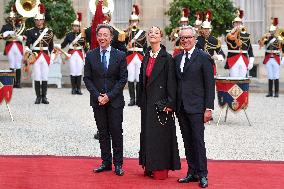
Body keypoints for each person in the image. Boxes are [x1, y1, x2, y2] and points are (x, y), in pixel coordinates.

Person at [84, 24, 127, 176]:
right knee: (102, 132)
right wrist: (98, 96)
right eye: (100, 35)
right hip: (97, 101)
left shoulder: (120, 55)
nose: (102, 38)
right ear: (96, 37)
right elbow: (87, 79)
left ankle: (118, 164)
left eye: (105, 35)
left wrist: (109, 96)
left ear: (111, 37)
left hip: (114, 101)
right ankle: (106, 162)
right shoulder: (90, 55)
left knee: (116, 132)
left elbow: (122, 79)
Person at [174, 26, 215, 188]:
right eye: (182, 38)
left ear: (195, 39)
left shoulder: (203, 57)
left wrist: (209, 108)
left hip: (197, 107)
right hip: (181, 108)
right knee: (187, 141)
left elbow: (209, 84)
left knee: (198, 141)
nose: (185, 40)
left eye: (188, 37)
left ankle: (202, 174)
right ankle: (191, 172)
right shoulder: (177, 58)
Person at [138, 26, 180, 180]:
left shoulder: (167, 58)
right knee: (148, 135)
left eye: (156, 32)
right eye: (150, 32)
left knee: (160, 137)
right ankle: (149, 165)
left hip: (161, 103)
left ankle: (160, 169)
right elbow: (142, 81)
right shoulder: (146, 56)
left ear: (161, 37)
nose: (152, 34)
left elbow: (172, 83)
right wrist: (140, 101)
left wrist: (170, 103)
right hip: (148, 103)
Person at [25, 4, 54, 104]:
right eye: (36, 20)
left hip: (45, 56)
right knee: (37, 76)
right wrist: (29, 53)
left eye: (40, 19)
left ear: (43, 20)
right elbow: (27, 45)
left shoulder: (49, 31)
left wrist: (52, 57)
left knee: (45, 76)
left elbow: (51, 46)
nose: (38, 21)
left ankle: (44, 97)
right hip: (35, 56)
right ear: (34, 20)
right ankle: (38, 97)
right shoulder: (30, 32)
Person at [125, 5, 147, 106]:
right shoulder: (126, 33)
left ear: (138, 22)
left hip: (139, 56)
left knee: (138, 78)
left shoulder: (142, 33)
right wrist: (128, 33)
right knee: (130, 77)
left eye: (135, 21)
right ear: (130, 22)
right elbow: (123, 44)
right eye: (132, 21)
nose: (134, 23)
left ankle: (139, 98)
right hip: (130, 56)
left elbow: (144, 45)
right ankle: (132, 99)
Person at [59, 13, 85, 95]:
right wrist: (58, 47)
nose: (75, 27)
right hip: (71, 54)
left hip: (80, 54)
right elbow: (64, 44)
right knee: (73, 71)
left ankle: (79, 89)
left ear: (79, 27)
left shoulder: (83, 35)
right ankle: (73, 88)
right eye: (74, 26)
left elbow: (85, 46)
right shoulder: (69, 35)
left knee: (79, 71)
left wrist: (88, 54)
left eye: (77, 26)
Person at [0, 6, 25, 88]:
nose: (12, 19)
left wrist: (19, 36)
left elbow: (25, 37)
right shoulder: (5, 27)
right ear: (9, 18)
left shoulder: (20, 26)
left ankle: (18, 83)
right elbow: (0, 36)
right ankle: (12, 82)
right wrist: (8, 33)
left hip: (18, 46)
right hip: (10, 46)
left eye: (13, 18)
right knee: (11, 64)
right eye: (11, 18)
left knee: (18, 65)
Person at [225, 9, 254, 77]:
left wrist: (251, 61)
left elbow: (250, 49)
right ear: (233, 24)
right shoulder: (229, 34)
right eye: (236, 23)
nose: (238, 24)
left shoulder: (246, 35)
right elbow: (228, 41)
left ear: (242, 24)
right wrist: (233, 32)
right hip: (233, 58)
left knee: (242, 80)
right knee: (233, 80)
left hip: (244, 58)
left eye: (239, 23)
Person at [259, 18, 283, 97]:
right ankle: (270, 92)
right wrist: (263, 36)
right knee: (270, 75)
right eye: (270, 31)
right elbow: (260, 44)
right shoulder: (267, 38)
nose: (271, 32)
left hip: (276, 58)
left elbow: (282, 47)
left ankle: (276, 92)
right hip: (269, 58)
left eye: (273, 31)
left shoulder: (279, 39)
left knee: (276, 75)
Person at [196, 11, 225, 75]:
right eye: (205, 29)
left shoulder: (214, 40)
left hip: (210, 64)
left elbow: (222, 54)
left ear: (210, 29)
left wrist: (217, 57)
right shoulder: (197, 40)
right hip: (199, 66)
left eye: (208, 29)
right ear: (202, 29)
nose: (206, 30)